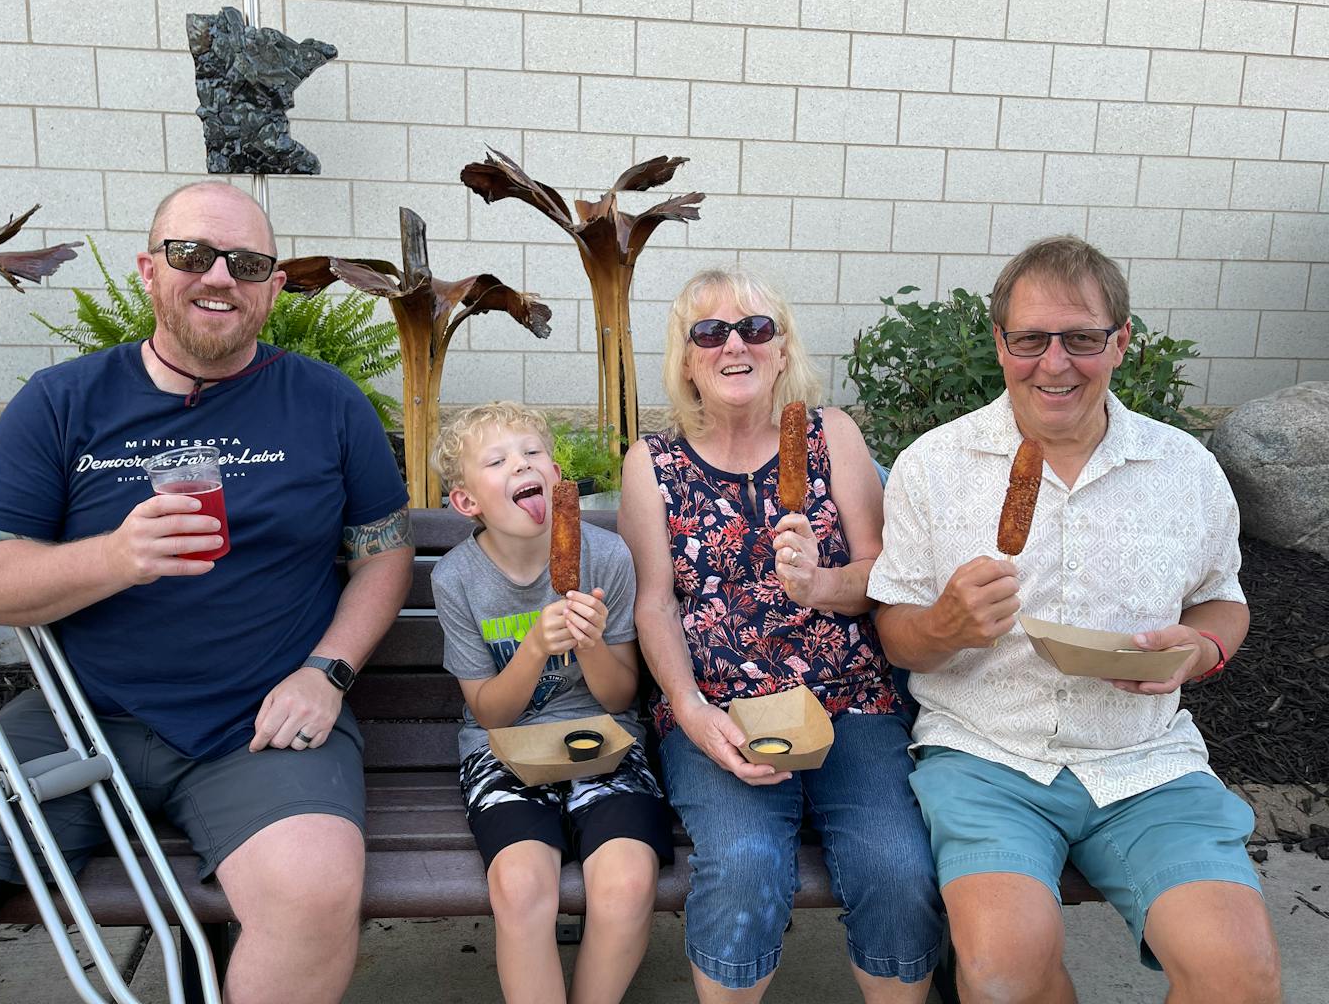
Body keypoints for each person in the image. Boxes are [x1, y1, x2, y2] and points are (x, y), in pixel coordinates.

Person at [0, 181, 414, 1004]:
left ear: (273, 287)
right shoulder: (62, 402)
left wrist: (329, 670)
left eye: (247, 262)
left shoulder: (325, 402)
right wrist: (116, 556)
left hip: (257, 722)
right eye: (192, 254)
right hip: (77, 718)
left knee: (314, 897)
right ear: (148, 270)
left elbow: (383, 555)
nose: (220, 276)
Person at [868, 235, 1282, 1004]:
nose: (1054, 363)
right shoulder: (935, 465)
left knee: (1240, 975)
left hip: (1146, 762)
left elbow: (1224, 599)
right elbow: (898, 635)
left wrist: (1202, 649)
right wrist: (948, 625)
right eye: (1030, 339)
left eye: (1082, 338)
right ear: (1000, 344)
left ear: (1120, 343)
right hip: (986, 756)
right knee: (1001, 975)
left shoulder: (1182, 467)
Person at [618, 267, 942, 1003]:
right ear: (688, 356)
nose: (735, 344)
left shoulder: (832, 437)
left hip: (849, 705)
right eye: (710, 332)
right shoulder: (654, 464)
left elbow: (882, 577)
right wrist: (693, 713)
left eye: (754, 327)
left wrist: (820, 584)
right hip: (722, 712)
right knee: (741, 864)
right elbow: (655, 608)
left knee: (897, 868)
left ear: (782, 345)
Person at [429, 401, 673, 1004]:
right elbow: (489, 713)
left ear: (557, 480)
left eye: (534, 454)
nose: (522, 465)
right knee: (518, 886)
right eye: (498, 460)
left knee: (628, 883)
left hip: (606, 738)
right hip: (504, 748)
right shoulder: (456, 579)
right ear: (466, 503)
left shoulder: (607, 557)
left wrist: (589, 645)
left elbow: (620, 695)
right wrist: (535, 646)